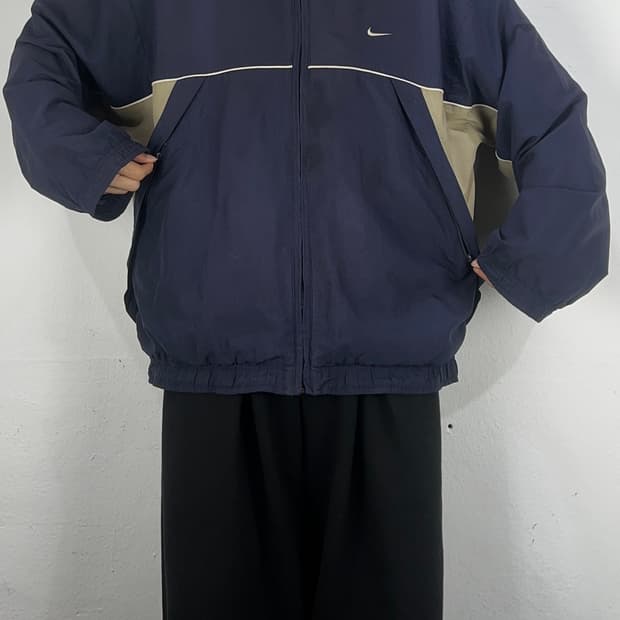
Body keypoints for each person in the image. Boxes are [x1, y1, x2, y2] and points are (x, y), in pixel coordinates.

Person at [3, 0, 610, 618]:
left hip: (388, 358)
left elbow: (553, 115)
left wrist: (541, 251)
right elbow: (48, 53)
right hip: (213, 358)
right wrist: (82, 156)